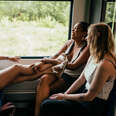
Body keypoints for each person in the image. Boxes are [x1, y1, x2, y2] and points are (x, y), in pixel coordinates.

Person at [40, 23, 116, 116]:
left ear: (96, 36)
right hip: (84, 97)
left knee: (47, 105)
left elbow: (89, 97)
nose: (86, 38)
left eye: (88, 35)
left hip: (93, 105)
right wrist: (64, 94)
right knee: (49, 101)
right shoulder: (94, 56)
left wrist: (64, 96)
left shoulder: (105, 65)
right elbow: (81, 80)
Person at [34, 22, 90, 116]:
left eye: (76, 29)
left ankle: (42, 111)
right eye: (73, 28)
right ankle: (37, 113)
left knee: (47, 89)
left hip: (72, 77)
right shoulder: (69, 42)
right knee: (44, 79)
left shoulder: (87, 48)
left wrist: (53, 62)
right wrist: (42, 62)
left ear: (84, 33)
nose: (72, 30)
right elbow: (56, 55)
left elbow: (73, 66)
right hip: (61, 71)